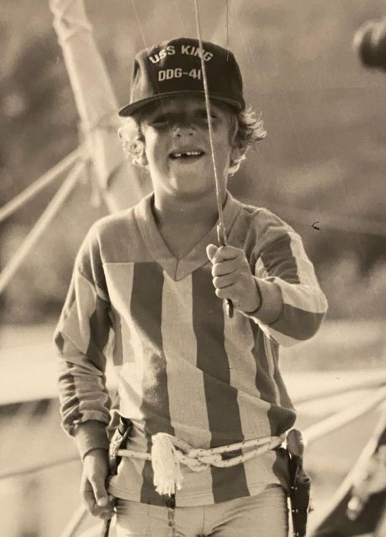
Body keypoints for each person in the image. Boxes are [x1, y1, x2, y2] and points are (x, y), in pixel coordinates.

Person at [55, 36, 328, 537]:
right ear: (138, 143)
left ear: (236, 140)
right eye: (161, 121)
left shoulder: (265, 235)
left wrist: (255, 295)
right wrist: (92, 450)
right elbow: (78, 358)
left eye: (205, 118)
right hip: (144, 489)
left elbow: (309, 315)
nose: (181, 130)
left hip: (251, 494)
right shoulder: (106, 243)